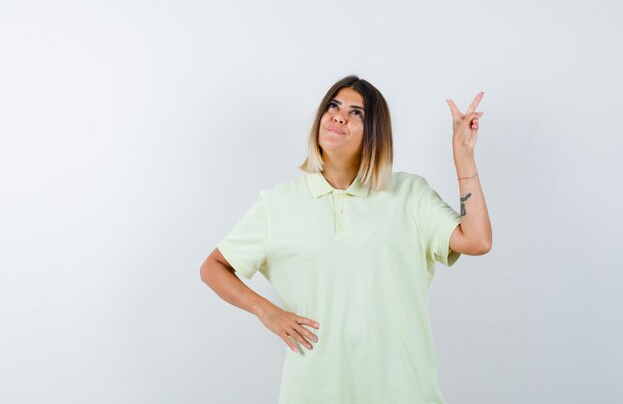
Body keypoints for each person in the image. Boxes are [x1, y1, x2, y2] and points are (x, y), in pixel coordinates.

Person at [200, 75, 492, 404]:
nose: (339, 116)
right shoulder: (278, 204)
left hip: (403, 392)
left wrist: (463, 155)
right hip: (314, 392)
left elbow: (477, 240)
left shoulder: (410, 194)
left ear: (376, 135)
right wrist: (267, 312)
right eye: (334, 106)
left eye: (357, 113)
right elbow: (214, 267)